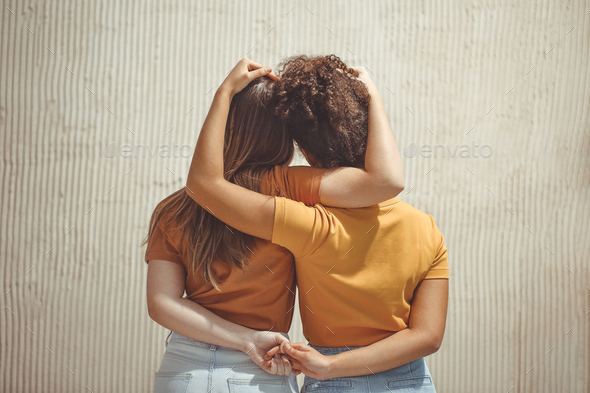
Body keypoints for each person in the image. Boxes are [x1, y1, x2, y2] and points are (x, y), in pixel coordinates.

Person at [186, 56, 449, 392]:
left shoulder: (305, 222)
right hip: (411, 379)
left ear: (307, 156)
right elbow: (428, 337)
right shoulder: (427, 230)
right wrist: (374, 98)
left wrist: (224, 93)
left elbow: (204, 185)